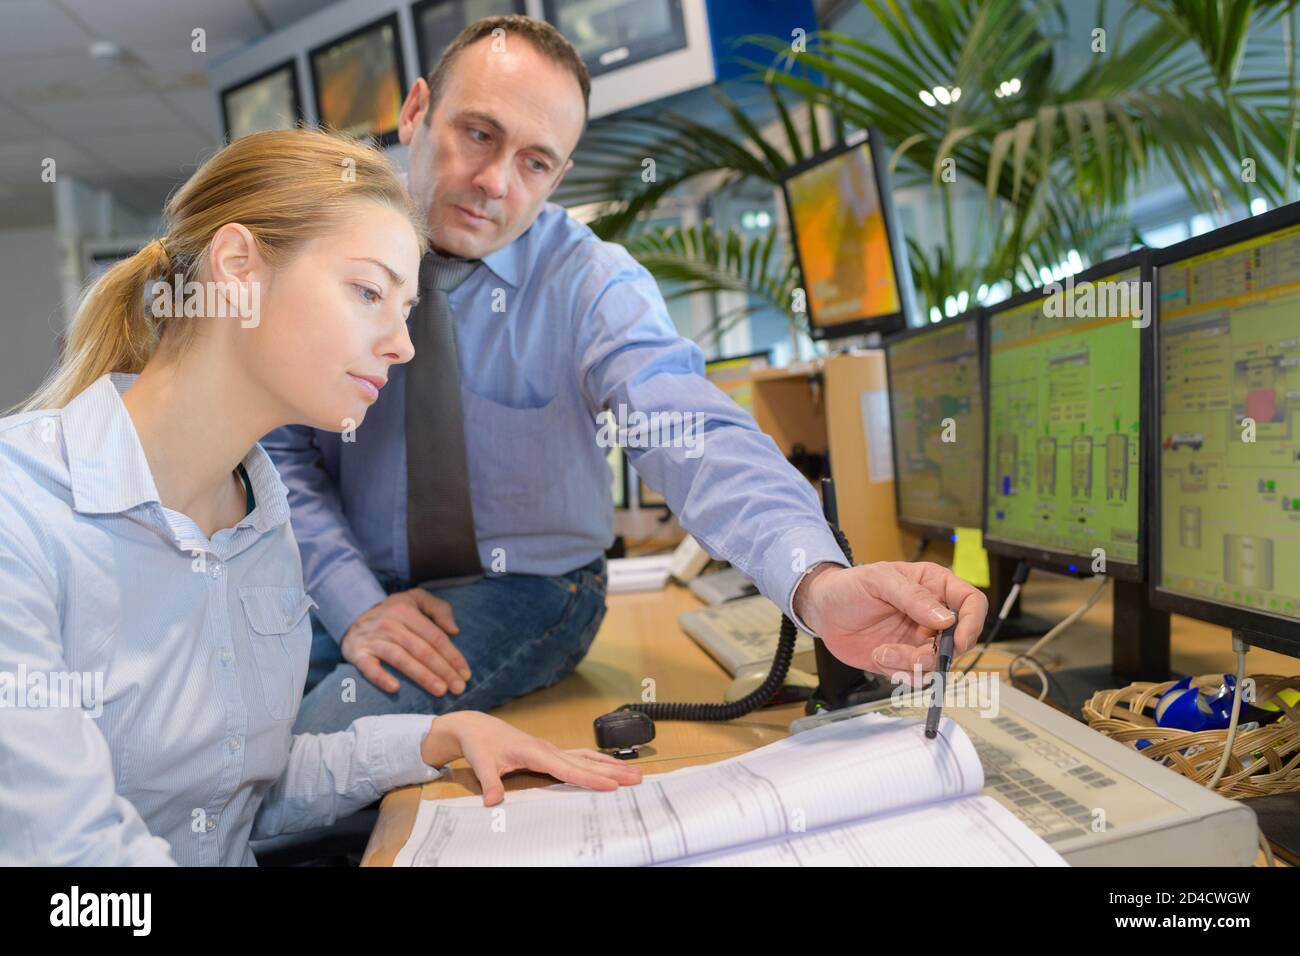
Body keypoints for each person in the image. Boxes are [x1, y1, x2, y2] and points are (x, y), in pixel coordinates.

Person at [267, 15, 988, 737]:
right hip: (352, 573)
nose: (494, 183)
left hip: (528, 589)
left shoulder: (591, 283)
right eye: (478, 134)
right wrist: (352, 598)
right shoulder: (336, 242)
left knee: (315, 740)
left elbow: (692, 431)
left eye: (536, 163)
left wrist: (818, 584)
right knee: (231, 728)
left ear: (560, 173)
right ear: (417, 111)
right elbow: (281, 449)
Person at [0, 128, 640, 867]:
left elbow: (238, 795)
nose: (401, 346)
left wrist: (436, 738)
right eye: (369, 292)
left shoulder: (260, 523)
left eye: (404, 308)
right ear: (238, 267)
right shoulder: (21, 511)